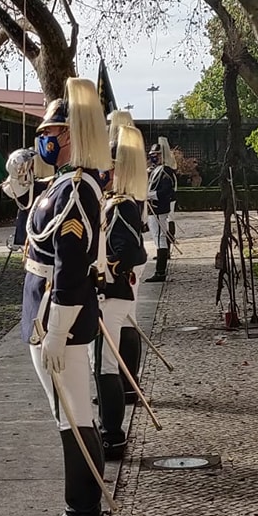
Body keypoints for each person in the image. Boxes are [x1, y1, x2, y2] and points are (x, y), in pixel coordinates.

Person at [10, 78, 112, 516]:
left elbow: (70, 269)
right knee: (69, 413)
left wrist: (55, 331)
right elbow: (36, 241)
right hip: (49, 315)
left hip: (59, 319)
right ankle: (83, 510)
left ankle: (83, 514)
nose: (44, 138)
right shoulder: (66, 185)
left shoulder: (75, 189)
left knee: (73, 415)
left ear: (71, 133)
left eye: (52, 130)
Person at [104, 112, 148, 407]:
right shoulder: (134, 158)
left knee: (117, 325)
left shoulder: (119, 155)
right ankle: (129, 384)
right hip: (132, 248)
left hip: (121, 257)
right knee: (128, 319)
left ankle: (122, 385)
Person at [144, 138, 178, 282]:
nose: (153, 157)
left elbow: (164, 192)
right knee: (158, 239)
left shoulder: (165, 171)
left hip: (159, 209)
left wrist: (147, 195)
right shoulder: (156, 170)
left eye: (156, 154)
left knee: (160, 239)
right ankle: (160, 270)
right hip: (154, 210)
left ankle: (160, 272)